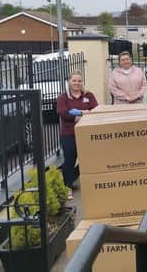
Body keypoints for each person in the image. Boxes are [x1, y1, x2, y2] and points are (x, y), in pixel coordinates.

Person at [56, 70, 98, 200]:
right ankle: (67, 186)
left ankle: (72, 177)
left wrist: (79, 114)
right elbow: (63, 113)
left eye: (79, 81)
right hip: (69, 134)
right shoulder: (63, 97)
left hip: (86, 134)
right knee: (69, 160)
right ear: (69, 81)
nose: (76, 83)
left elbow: (95, 110)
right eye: (74, 80)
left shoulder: (88, 95)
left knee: (89, 159)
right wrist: (83, 115)